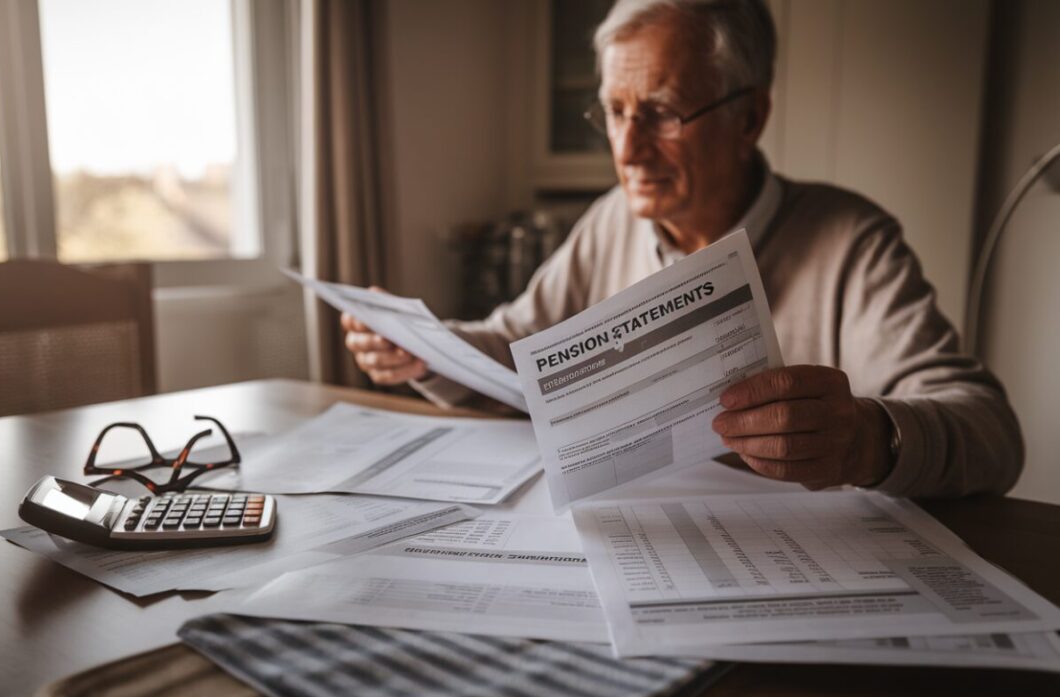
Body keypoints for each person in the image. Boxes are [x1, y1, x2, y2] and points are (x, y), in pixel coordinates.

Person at [343, 0, 1022, 498]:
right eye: (615, 112)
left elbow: (990, 431)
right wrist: (425, 348)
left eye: (663, 113)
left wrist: (869, 439)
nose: (628, 150)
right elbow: (515, 348)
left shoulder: (851, 241)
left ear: (749, 117)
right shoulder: (610, 222)